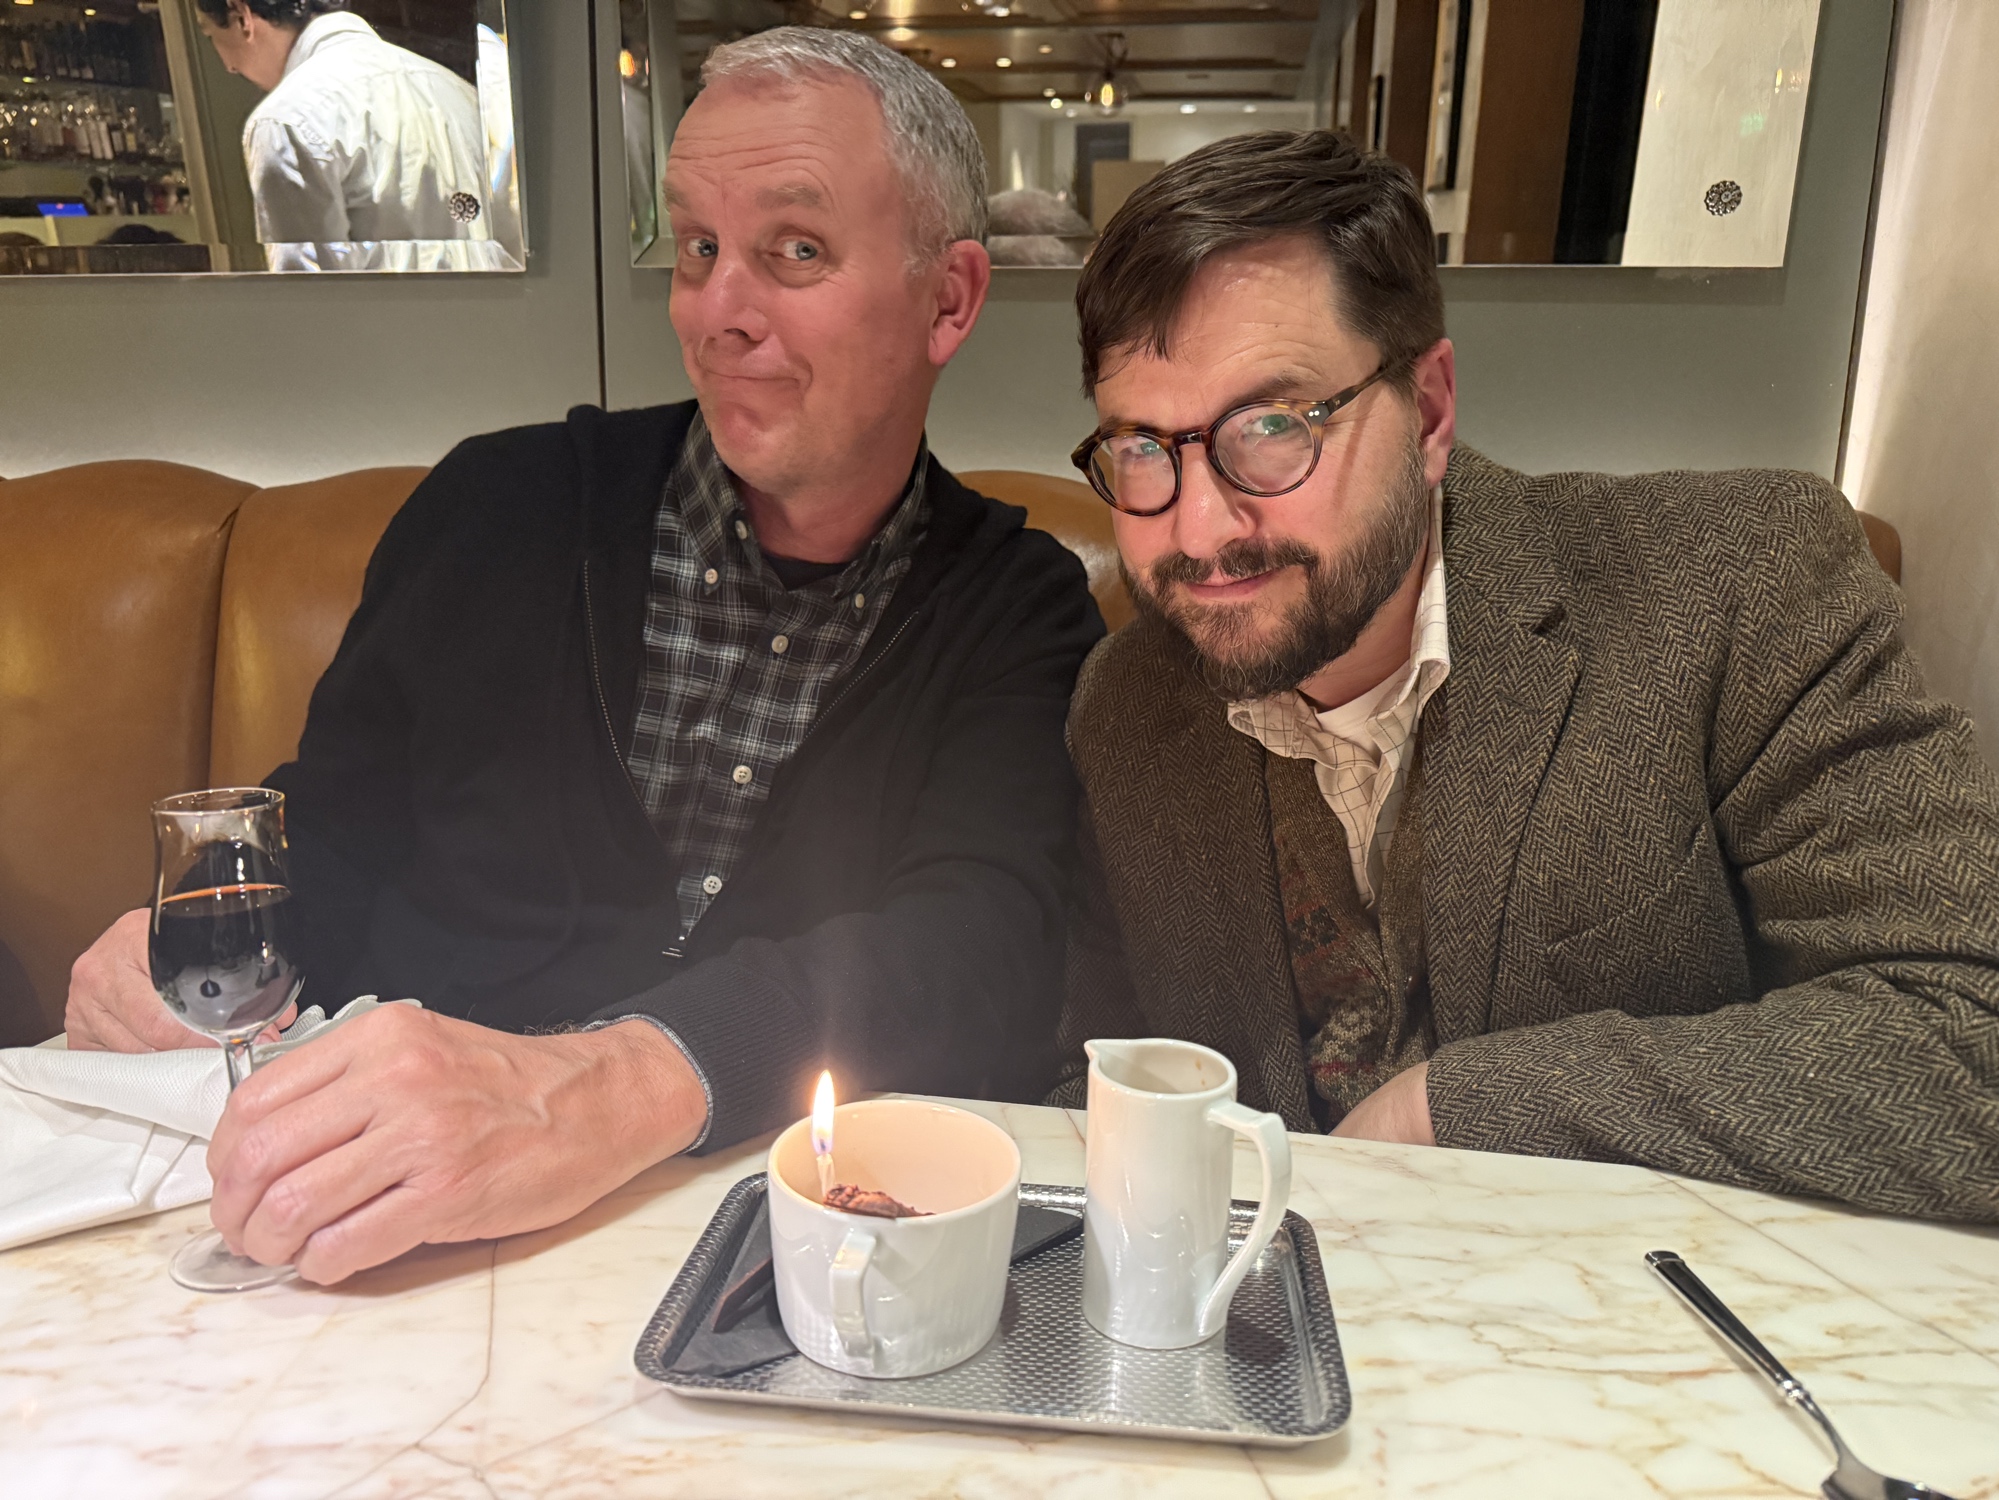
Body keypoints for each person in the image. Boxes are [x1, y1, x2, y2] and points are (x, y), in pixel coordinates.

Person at [66, 30, 1102, 1281]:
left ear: (949, 300)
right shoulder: (498, 506)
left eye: (796, 251)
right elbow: (337, 820)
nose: (720, 312)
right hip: (382, 1227)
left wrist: (611, 1086)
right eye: (700, 248)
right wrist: (191, 938)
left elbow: (979, 946)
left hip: (781, 1235)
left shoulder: (1015, 604)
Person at [1055, 130, 1999, 1223]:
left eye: (1271, 427)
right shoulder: (1127, 704)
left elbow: (1966, 1032)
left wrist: (1451, 1111)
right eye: (1142, 448)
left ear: (1429, 413)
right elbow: (1093, 1076)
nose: (1199, 529)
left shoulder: (1736, 587)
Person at [193, 0, 503, 270]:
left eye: (210, 35)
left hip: (388, 322)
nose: (229, 66)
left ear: (241, 15)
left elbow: (309, 297)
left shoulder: (285, 119)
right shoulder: (458, 92)